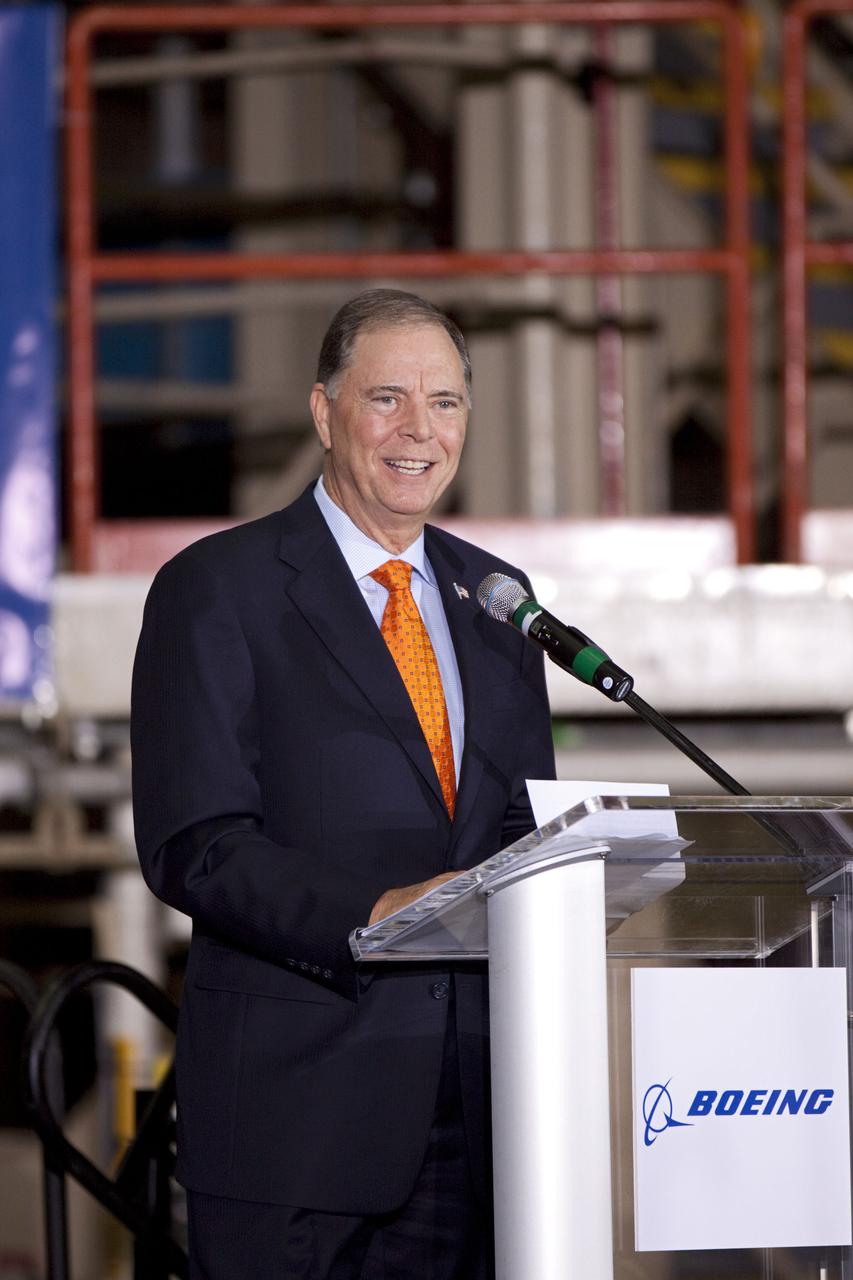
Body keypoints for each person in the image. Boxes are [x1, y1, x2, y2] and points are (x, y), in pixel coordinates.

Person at [131, 289, 556, 1279]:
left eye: (444, 402)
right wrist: (376, 913)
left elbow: (519, 827)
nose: (420, 430)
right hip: (297, 1125)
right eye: (387, 399)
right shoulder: (218, 587)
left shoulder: (497, 599)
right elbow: (196, 843)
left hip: (480, 1122)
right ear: (325, 413)